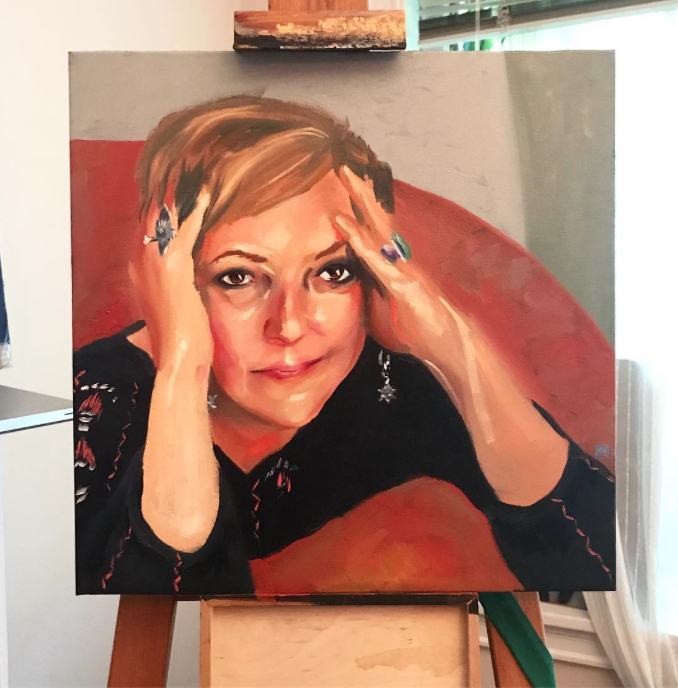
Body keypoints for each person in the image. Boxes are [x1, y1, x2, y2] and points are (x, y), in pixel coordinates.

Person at [73, 95, 615, 595]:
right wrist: (184, 367)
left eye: (334, 271)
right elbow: (152, 587)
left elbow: (597, 555)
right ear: (174, 282)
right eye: (237, 277)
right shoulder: (101, 398)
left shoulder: (393, 388)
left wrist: (451, 341)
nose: (290, 325)